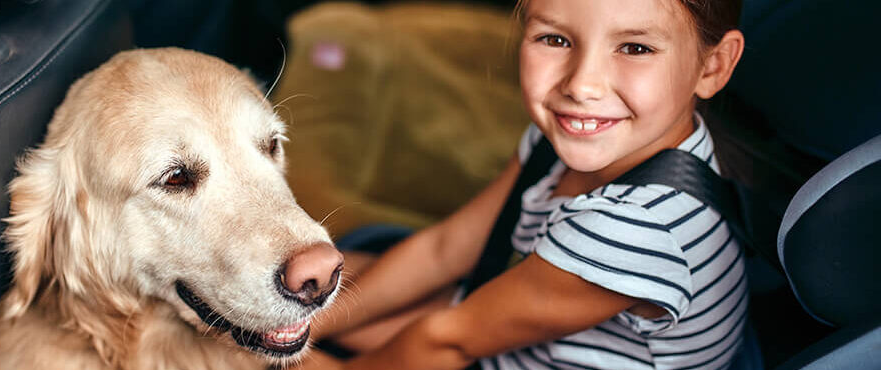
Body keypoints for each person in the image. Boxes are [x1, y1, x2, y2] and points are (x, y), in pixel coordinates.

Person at [292, 0, 747, 369]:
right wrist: (300, 333)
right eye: (555, 39)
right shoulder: (565, 135)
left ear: (712, 66)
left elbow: (445, 341)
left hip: (478, 343)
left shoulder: (634, 227)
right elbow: (447, 248)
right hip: (508, 325)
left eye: (635, 48)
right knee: (301, 291)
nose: (581, 85)